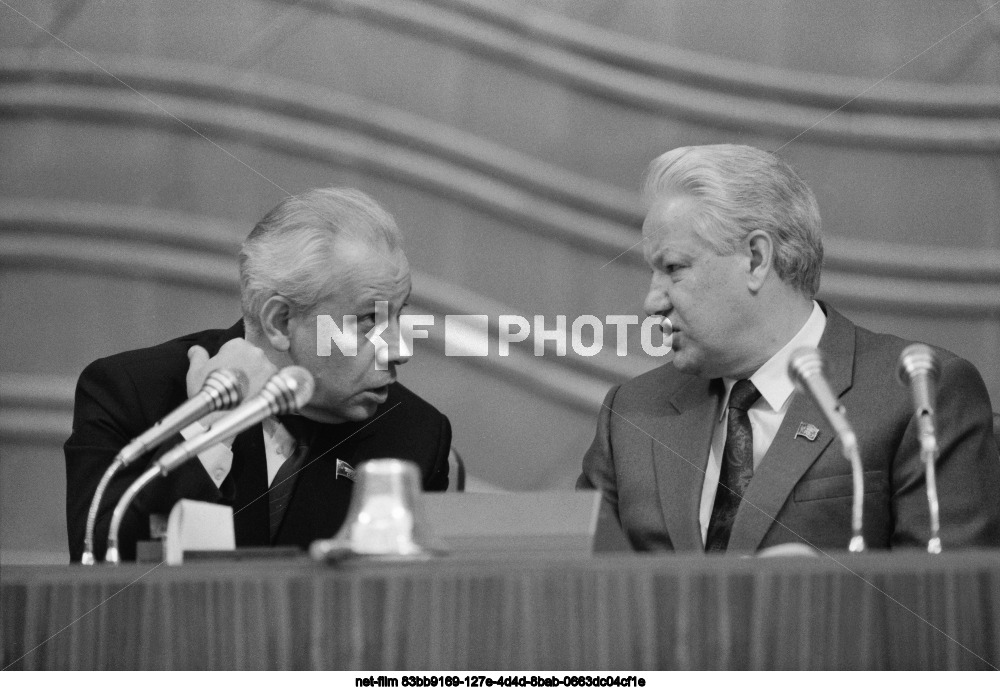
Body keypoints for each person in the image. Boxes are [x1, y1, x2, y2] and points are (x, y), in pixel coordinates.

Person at [579, 144, 1000, 553]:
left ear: (757, 258)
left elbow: (946, 609)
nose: (653, 301)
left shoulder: (918, 392)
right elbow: (572, 593)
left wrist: (803, 595)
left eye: (673, 268)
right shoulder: (630, 415)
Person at [65, 188, 451, 562]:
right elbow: (102, 569)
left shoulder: (414, 435)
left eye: (398, 314)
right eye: (370, 319)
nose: (401, 350)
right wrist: (210, 429)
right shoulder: (132, 392)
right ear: (280, 320)